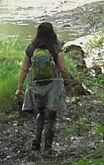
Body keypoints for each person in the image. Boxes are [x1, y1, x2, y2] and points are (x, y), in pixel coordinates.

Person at [15, 22, 73, 152]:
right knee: (51, 116)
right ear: (52, 32)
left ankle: (36, 140)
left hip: (36, 86)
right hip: (52, 86)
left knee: (40, 113)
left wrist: (19, 87)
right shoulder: (55, 47)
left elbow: (24, 70)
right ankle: (48, 147)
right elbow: (63, 69)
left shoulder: (31, 48)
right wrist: (68, 83)